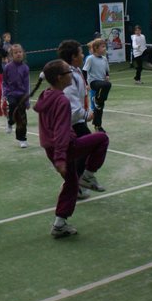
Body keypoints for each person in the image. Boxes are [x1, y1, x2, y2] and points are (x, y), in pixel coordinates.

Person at [32, 59, 109, 238]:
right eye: (69, 72)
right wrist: (60, 159)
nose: (72, 74)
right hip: (65, 147)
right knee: (102, 139)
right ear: (60, 78)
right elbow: (60, 131)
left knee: (71, 183)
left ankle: (59, 224)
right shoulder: (62, 101)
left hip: (51, 148)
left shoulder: (46, 95)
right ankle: (88, 176)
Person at [57, 40, 102, 197]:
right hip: (72, 123)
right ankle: (75, 184)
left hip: (77, 121)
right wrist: (86, 115)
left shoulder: (75, 71)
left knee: (81, 152)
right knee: (89, 146)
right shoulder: (68, 76)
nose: (83, 55)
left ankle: (75, 184)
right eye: (81, 53)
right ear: (73, 57)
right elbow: (71, 106)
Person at [3, 44, 30, 148]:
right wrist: (5, 94)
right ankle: (10, 122)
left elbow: (27, 85)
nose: (18, 54)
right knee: (13, 106)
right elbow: (4, 82)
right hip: (11, 93)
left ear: (23, 53)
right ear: (11, 55)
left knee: (22, 118)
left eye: (20, 52)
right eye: (15, 53)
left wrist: (27, 100)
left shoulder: (25, 68)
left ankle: (22, 139)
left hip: (22, 95)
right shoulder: (7, 67)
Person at [83, 38, 112, 133]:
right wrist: (86, 84)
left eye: (105, 46)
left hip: (102, 83)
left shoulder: (104, 59)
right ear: (96, 48)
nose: (105, 48)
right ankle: (97, 100)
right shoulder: (90, 58)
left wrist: (107, 75)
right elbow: (84, 71)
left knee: (100, 106)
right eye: (102, 46)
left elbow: (107, 70)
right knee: (105, 85)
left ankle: (98, 125)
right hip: (93, 82)